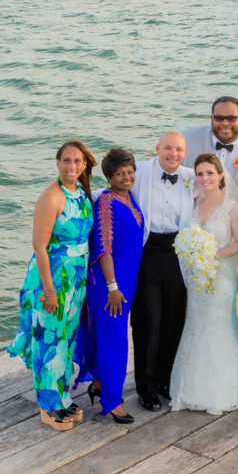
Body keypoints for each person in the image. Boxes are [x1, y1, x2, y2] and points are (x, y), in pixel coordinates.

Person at [8, 140, 96, 431]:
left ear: (85, 164)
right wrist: (48, 290)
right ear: (58, 162)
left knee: (66, 339)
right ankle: (48, 406)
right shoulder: (52, 197)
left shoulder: (80, 193)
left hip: (76, 279)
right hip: (54, 279)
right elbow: (40, 246)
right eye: (67, 161)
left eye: (78, 161)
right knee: (49, 340)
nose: (73, 166)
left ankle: (61, 395)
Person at [169, 154, 238, 414]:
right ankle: (191, 386)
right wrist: (193, 255)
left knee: (221, 325)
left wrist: (210, 255)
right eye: (200, 174)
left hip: (221, 276)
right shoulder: (192, 204)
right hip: (195, 278)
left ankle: (228, 388)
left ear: (221, 175)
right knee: (196, 325)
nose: (205, 178)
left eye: (210, 173)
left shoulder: (233, 208)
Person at [181, 96, 238, 338]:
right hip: (195, 247)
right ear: (211, 118)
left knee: (237, 312)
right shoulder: (186, 141)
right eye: (219, 117)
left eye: (231, 118)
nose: (225, 123)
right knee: (191, 313)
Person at [75, 148, 146, 424]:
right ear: (109, 177)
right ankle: (114, 402)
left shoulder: (129, 197)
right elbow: (103, 249)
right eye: (120, 174)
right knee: (115, 342)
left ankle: (101, 386)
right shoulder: (105, 203)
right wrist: (113, 286)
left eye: (130, 172)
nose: (127, 177)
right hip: (109, 287)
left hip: (126, 283)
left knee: (111, 338)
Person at [130, 131, 197, 411]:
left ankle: (165, 378)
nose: (173, 154)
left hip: (178, 254)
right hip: (147, 252)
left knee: (173, 321)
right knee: (148, 321)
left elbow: (219, 189)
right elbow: (110, 187)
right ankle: (144, 386)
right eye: (168, 148)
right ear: (157, 148)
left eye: (179, 150)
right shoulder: (140, 170)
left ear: (185, 151)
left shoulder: (193, 176)